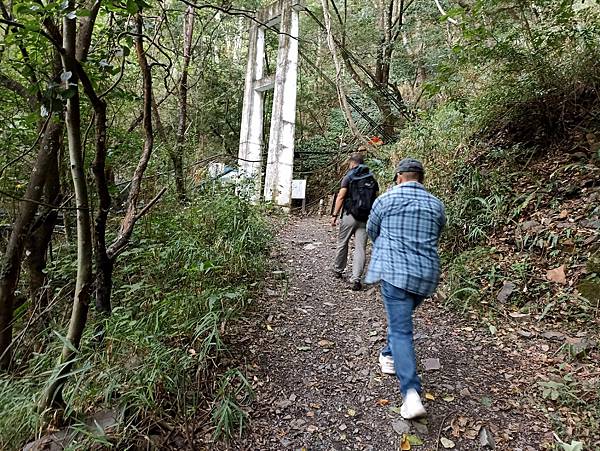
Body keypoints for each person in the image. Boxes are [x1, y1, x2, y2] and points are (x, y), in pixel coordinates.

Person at [365, 158, 445, 420]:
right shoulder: (435, 204)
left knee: (401, 330)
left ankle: (411, 393)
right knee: (401, 320)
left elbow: (372, 230)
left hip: (396, 273)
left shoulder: (385, 200)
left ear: (399, 177)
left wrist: (391, 247)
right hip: (426, 276)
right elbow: (437, 233)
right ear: (421, 178)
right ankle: (389, 355)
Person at [331, 153, 379, 291]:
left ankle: (338, 269)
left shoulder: (349, 177)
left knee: (343, 242)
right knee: (360, 248)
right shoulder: (371, 178)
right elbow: (375, 199)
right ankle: (356, 278)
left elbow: (341, 196)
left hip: (349, 216)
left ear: (352, 163)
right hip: (365, 217)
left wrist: (334, 215)